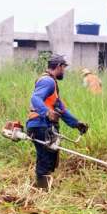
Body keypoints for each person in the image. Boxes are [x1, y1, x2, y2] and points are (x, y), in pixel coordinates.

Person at [26, 54, 89, 191]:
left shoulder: (52, 84)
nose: (64, 71)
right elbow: (35, 98)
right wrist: (47, 113)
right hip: (40, 124)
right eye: (64, 68)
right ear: (59, 66)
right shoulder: (47, 81)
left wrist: (76, 124)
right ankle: (41, 192)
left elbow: (61, 109)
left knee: (50, 159)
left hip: (43, 125)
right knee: (45, 159)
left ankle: (41, 189)